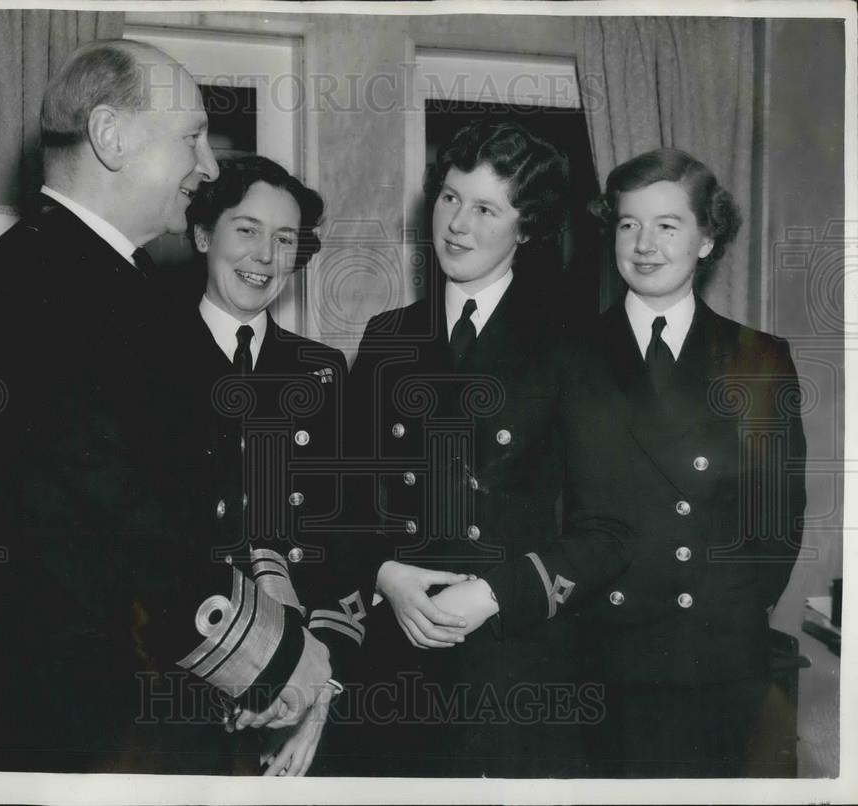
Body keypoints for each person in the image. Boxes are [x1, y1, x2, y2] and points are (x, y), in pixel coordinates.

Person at [0, 40, 331, 773]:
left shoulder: (81, 279)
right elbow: (118, 526)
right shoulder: (48, 290)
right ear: (111, 137)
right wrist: (277, 659)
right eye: (190, 137)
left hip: (108, 710)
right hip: (83, 729)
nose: (209, 167)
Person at [344, 120, 630, 777]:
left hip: (515, 667)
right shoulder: (390, 338)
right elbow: (346, 500)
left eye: (485, 209)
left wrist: (496, 593)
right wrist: (384, 573)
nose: (457, 225)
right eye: (449, 198)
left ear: (526, 229)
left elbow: (609, 531)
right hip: (397, 657)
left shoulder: (576, 346)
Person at [563, 148, 807, 776]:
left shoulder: (759, 359)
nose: (644, 244)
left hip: (717, 663)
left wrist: (730, 614)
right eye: (628, 223)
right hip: (600, 662)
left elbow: (777, 519)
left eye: (667, 225)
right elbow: (548, 508)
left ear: (706, 238)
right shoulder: (567, 356)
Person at [154, 154, 367, 776]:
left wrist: (315, 686)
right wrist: (253, 669)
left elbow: (346, 537)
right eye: (246, 230)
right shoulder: (147, 359)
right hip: (180, 678)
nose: (266, 257)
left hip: (302, 680)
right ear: (201, 235)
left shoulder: (322, 370)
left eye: (284, 240)